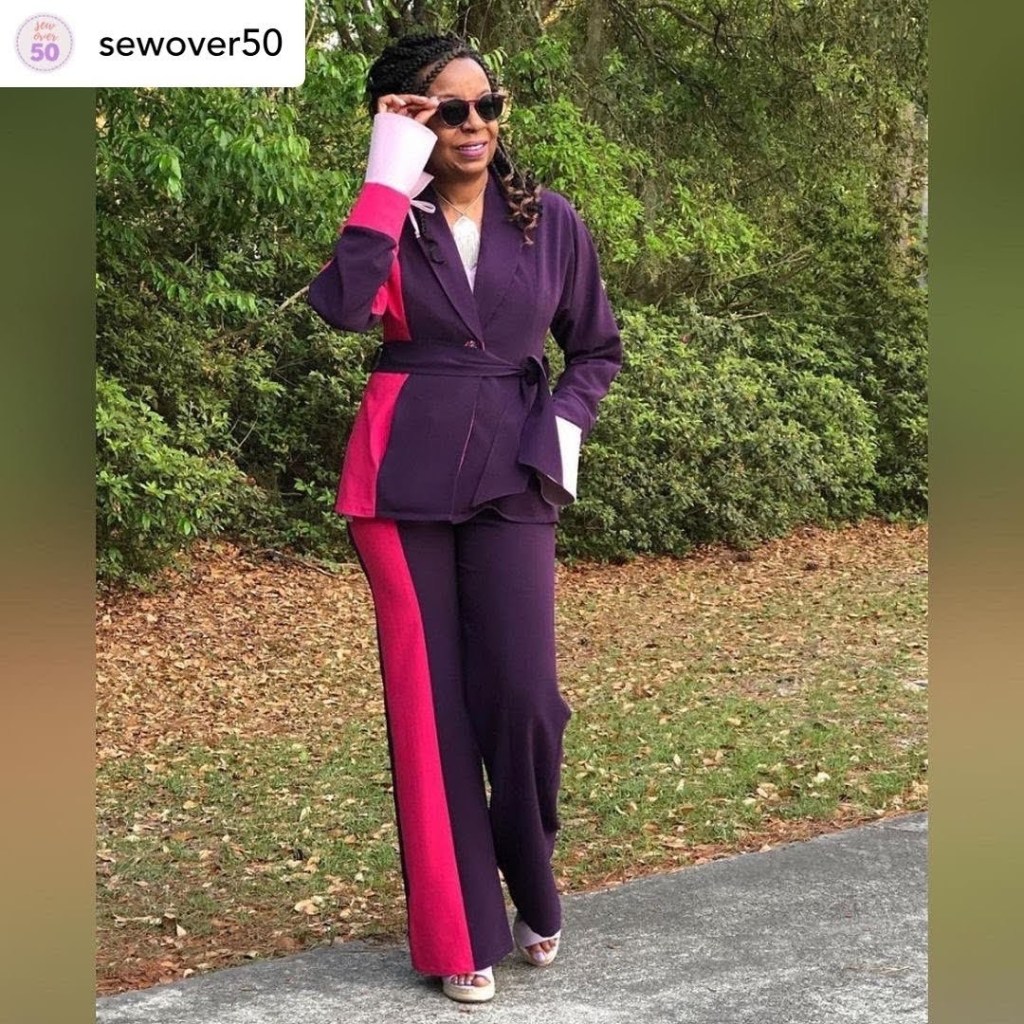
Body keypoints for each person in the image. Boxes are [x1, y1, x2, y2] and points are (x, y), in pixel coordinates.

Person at [308, 32, 621, 1004]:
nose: (475, 123)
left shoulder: (550, 220)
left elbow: (597, 349)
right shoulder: (389, 219)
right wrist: (385, 175)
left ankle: (532, 879)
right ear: (411, 118)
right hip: (398, 485)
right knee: (429, 710)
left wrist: (563, 426)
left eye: (488, 104)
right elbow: (342, 309)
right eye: (450, 109)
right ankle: (459, 931)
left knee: (525, 698)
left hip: (516, 477)